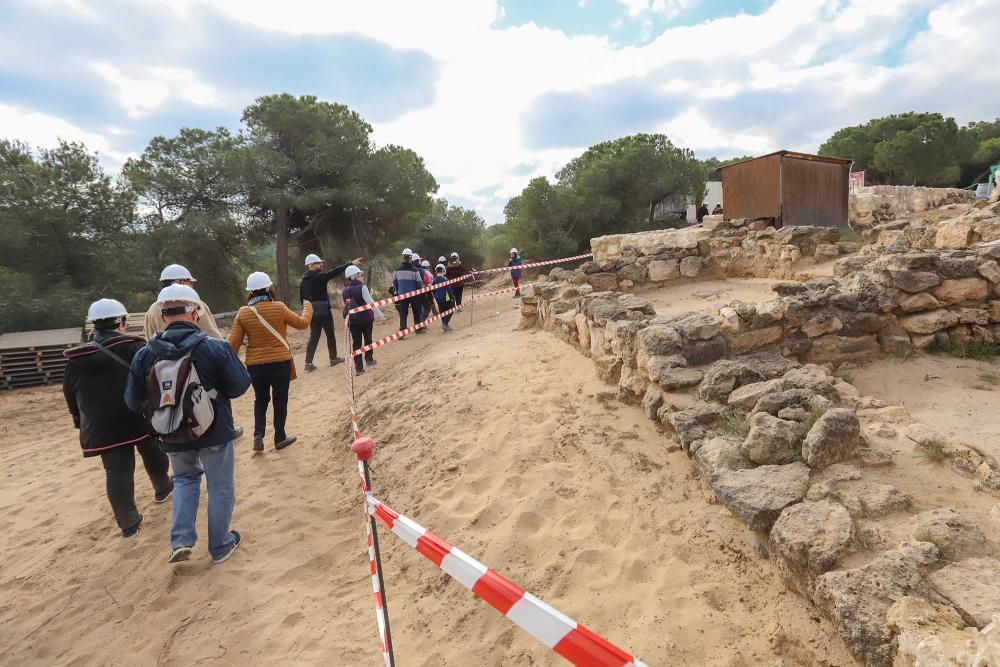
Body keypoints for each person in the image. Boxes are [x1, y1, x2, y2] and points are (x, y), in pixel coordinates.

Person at [125, 284, 251, 565]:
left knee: (183, 480)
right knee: (220, 487)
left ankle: (181, 540)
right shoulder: (214, 347)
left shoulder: (145, 354)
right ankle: (220, 545)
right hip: (213, 431)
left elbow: (133, 401)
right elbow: (239, 385)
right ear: (195, 311)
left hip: (171, 434)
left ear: (162, 314)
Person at [63, 299, 173, 540]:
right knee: (153, 451)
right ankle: (163, 487)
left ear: (95, 325)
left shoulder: (78, 357)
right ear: (122, 322)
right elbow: (151, 376)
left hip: (101, 425)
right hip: (136, 415)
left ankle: (128, 522)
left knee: (116, 470)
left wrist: (78, 419)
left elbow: (69, 391)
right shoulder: (134, 347)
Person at [227, 272, 312, 453]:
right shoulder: (279, 307)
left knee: (261, 399)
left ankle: (258, 436)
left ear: (249, 292)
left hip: (255, 366)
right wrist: (308, 308)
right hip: (280, 363)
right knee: (280, 400)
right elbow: (303, 324)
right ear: (268, 288)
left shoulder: (243, 313)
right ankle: (279, 437)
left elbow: (232, 345)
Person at [299, 252, 362, 372]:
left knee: (314, 337)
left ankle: (308, 362)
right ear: (311, 265)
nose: (321, 264)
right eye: (318, 263)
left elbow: (302, 298)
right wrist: (351, 264)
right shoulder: (319, 277)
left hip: (311, 312)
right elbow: (334, 272)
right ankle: (333, 358)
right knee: (330, 334)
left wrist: (307, 311)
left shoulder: (303, 281)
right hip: (324, 311)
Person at [144, 264, 222, 340]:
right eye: (190, 282)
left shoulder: (153, 309)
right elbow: (213, 336)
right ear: (181, 282)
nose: (191, 286)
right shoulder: (196, 305)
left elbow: (150, 339)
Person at [342, 265, 387, 375]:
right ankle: (369, 360)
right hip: (366, 319)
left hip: (353, 321)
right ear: (355, 276)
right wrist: (381, 316)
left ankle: (359, 368)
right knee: (368, 340)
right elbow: (371, 303)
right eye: (361, 275)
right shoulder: (363, 287)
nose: (362, 277)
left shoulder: (345, 291)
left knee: (356, 343)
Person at [393, 248, 425, 334]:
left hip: (402, 294)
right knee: (416, 311)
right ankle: (417, 329)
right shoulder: (415, 270)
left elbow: (394, 282)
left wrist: (397, 291)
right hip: (414, 294)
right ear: (411, 258)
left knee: (403, 313)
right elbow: (419, 283)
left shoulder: (397, 270)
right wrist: (419, 291)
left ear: (403, 257)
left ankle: (402, 330)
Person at [432, 264, 457, 331]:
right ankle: (445, 323)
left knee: (442, 312)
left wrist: (436, 297)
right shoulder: (445, 279)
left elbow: (433, 290)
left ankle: (444, 324)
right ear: (443, 270)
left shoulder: (434, 281)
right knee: (451, 309)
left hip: (438, 299)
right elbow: (449, 289)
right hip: (447, 298)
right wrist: (452, 297)